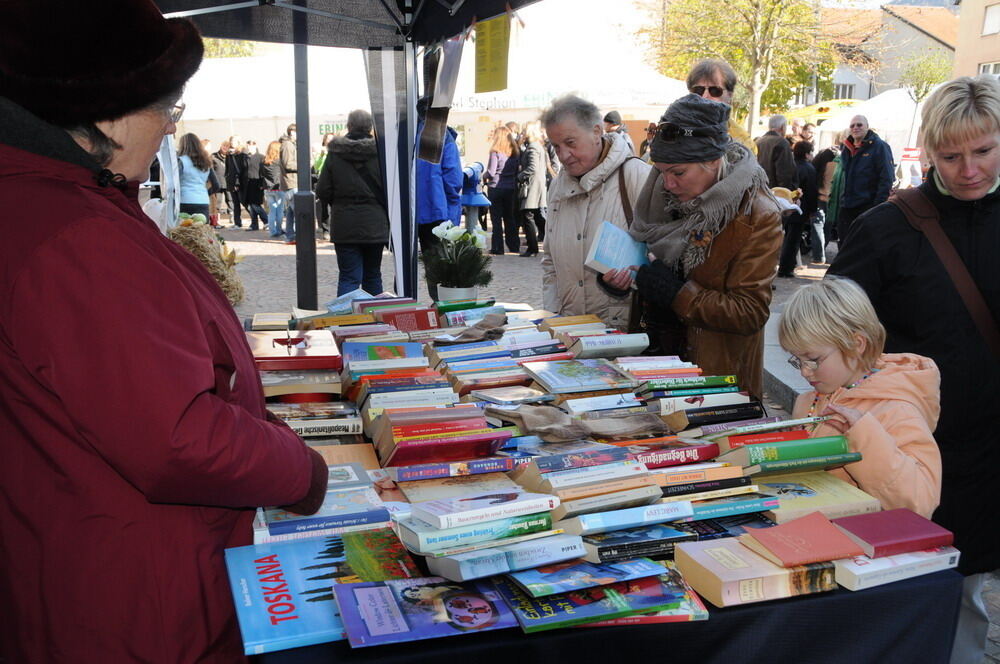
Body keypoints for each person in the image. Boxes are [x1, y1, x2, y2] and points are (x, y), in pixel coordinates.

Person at [0, 2, 328, 660]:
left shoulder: (48, 203)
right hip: (137, 597)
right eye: (166, 111)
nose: (168, 130)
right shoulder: (76, 235)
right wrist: (301, 469)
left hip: (77, 559)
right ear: (109, 110)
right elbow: (175, 437)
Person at [828, 75, 1000, 664]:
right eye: (951, 156)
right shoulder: (887, 228)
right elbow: (831, 325)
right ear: (928, 150)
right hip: (918, 451)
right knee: (922, 585)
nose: (969, 169)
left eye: (983, 151)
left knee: (973, 589)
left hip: (995, 444)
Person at [603, 94, 782, 399]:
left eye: (678, 172)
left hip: (713, 380)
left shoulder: (755, 214)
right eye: (660, 170)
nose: (667, 184)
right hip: (653, 364)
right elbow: (650, 269)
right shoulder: (662, 198)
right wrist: (623, 279)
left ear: (713, 161)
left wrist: (677, 293)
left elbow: (750, 312)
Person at [779, 278, 942, 516]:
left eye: (813, 359)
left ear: (856, 344)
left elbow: (919, 503)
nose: (805, 371)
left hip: (867, 540)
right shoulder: (810, 400)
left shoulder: (896, 408)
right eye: (797, 360)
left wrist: (863, 435)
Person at [541, 94, 651, 330]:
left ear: (596, 131)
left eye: (571, 143)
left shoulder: (636, 176)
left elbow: (663, 256)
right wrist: (552, 315)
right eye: (556, 146)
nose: (563, 155)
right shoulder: (559, 186)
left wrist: (630, 280)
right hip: (569, 329)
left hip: (622, 332)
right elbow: (550, 260)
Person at [316, 109, 389, 296]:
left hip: (344, 223)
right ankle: (375, 320)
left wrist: (340, 203)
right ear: (370, 127)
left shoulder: (335, 153)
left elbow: (323, 190)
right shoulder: (381, 152)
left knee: (348, 277)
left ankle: (345, 320)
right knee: (373, 275)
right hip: (375, 222)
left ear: (348, 126)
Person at [415, 100, 462, 301]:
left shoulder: (409, 135)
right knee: (439, 264)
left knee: (410, 264)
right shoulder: (443, 137)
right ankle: (441, 306)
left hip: (413, 210)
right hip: (438, 210)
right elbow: (453, 178)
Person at [837, 114, 894, 244]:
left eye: (859, 125)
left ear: (867, 127)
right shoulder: (847, 148)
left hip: (867, 206)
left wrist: (877, 207)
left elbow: (886, 178)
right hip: (847, 206)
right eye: (852, 125)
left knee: (863, 246)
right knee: (845, 245)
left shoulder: (880, 147)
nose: (855, 128)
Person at [685, 58, 756, 154]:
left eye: (715, 90)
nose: (705, 96)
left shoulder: (744, 143)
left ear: (729, 96)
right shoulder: (673, 131)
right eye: (698, 90)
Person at [775, 139, 818, 276]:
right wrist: (812, 210)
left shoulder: (791, 166)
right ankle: (786, 268)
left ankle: (780, 266)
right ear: (806, 154)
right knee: (793, 241)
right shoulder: (809, 169)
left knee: (783, 238)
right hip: (800, 210)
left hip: (787, 206)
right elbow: (812, 192)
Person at [484, 125, 520, 255]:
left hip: (496, 188)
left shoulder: (495, 152)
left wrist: (483, 176)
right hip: (510, 188)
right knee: (509, 218)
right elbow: (517, 171)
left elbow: (491, 172)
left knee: (496, 219)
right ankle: (514, 246)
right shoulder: (514, 152)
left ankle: (498, 248)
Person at [516, 120, 548, 257]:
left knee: (528, 215)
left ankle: (532, 247)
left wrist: (520, 176)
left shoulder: (533, 147)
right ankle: (548, 241)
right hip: (538, 184)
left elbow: (532, 168)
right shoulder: (537, 146)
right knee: (537, 216)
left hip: (533, 185)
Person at [755, 115, 797, 189]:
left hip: (760, 189)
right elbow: (784, 174)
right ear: (782, 127)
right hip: (776, 192)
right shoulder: (781, 142)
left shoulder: (758, 141)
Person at [176, 131, 212, 217]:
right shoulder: (206, 161)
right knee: (202, 229)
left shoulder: (181, 161)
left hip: (185, 199)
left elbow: (174, 181)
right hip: (203, 200)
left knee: (186, 229)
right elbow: (215, 184)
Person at [314, 132, 336, 240]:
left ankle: (335, 229)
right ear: (325, 140)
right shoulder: (322, 152)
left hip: (335, 181)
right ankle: (326, 230)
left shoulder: (337, 150)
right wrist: (322, 155)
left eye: (332, 138)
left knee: (335, 207)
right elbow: (316, 167)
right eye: (328, 138)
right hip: (324, 181)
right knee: (325, 208)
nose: (330, 140)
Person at [261, 139, 285, 238]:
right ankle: (278, 230)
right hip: (279, 188)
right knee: (279, 211)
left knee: (271, 211)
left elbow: (261, 174)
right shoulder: (280, 161)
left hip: (268, 189)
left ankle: (272, 231)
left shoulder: (264, 161)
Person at [243, 139, 268, 231]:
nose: (249, 147)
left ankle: (266, 220)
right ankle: (254, 224)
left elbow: (263, 171)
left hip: (257, 183)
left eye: (251, 145)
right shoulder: (245, 157)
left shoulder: (261, 157)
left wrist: (262, 183)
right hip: (248, 184)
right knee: (251, 205)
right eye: (248, 146)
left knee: (255, 204)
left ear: (255, 146)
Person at [460, 161, 492, 233]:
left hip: (473, 195)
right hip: (470, 195)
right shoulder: (470, 171)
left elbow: (462, 176)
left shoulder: (469, 172)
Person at [279, 122, 298, 244]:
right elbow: (288, 164)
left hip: (291, 182)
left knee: (291, 212)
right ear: (292, 132)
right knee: (297, 212)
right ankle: (294, 236)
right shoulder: (288, 145)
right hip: (291, 182)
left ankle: (291, 236)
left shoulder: (289, 144)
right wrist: (305, 163)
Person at [224, 134, 247, 227]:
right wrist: (228, 178)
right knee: (235, 203)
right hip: (232, 182)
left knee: (245, 202)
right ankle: (237, 223)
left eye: (233, 141)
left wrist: (238, 182)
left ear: (238, 142)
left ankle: (260, 220)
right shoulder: (229, 154)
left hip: (241, 182)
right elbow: (228, 168)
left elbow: (244, 168)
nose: (231, 142)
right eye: (231, 141)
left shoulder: (242, 153)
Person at [211, 139, 230, 218]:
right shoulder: (213, 156)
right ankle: (216, 219)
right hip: (218, 183)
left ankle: (232, 218)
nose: (225, 148)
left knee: (230, 201)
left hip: (228, 183)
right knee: (217, 202)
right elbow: (211, 169)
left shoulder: (231, 156)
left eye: (227, 147)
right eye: (223, 146)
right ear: (220, 146)